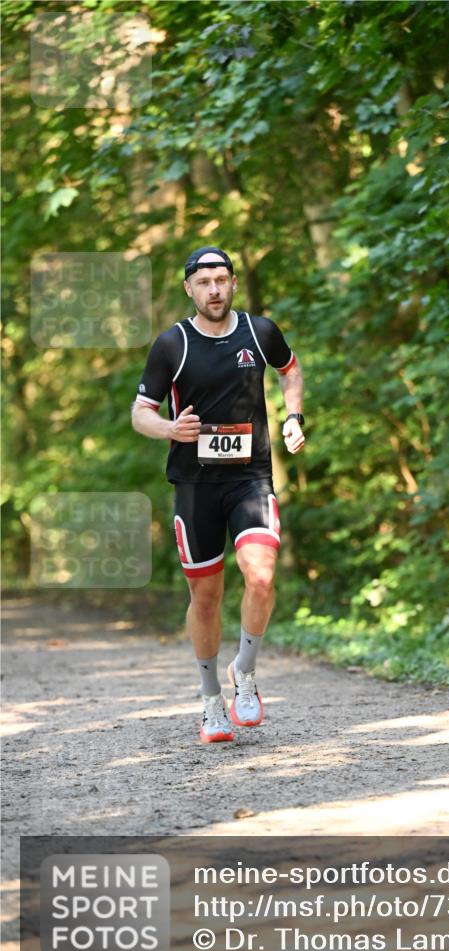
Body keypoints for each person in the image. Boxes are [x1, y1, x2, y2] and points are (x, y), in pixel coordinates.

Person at [131, 247, 305, 743]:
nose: (214, 289)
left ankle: (244, 670)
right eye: (204, 282)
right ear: (189, 288)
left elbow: (290, 369)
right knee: (205, 597)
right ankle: (211, 700)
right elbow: (140, 412)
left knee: (262, 575)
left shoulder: (259, 332)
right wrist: (170, 429)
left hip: (251, 478)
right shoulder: (173, 344)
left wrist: (294, 416)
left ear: (233, 283)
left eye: (222, 280)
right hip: (195, 485)